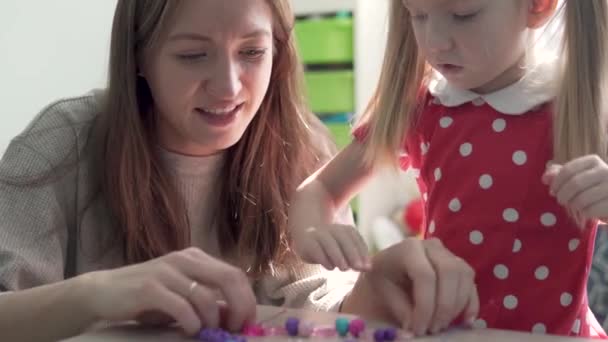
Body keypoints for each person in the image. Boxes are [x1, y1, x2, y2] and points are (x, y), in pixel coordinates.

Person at [0, 0, 479, 341]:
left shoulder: (303, 145)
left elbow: (313, 301)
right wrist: (95, 295)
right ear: (138, 58)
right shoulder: (62, 143)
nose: (229, 87)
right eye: (192, 55)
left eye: (252, 52)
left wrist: (374, 288)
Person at [290, 0, 608, 338]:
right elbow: (317, 190)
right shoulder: (421, 108)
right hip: (448, 333)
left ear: (538, 6)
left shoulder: (580, 108)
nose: (435, 41)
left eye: (463, 15)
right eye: (419, 16)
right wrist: (313, 230)